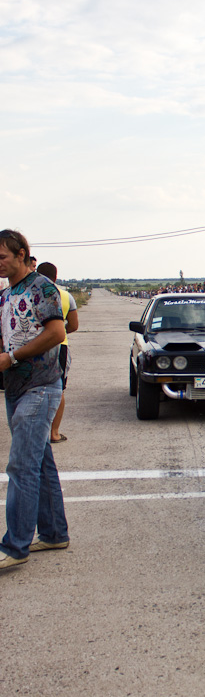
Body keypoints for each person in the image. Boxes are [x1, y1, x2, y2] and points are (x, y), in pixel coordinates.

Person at [0, 229, 69, 570]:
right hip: (15, 387)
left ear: (21, 253)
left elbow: (57, 332)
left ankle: (15, 546)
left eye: (2, 256)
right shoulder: (6, 294)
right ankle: (54, 533)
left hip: (40, 386)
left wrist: (11, 358)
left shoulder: (41, 286)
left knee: (21, 466)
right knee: (40, 463)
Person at [36, 262, 78, 443]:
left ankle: (36, 431)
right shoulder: (66, 296)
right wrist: (57, 333)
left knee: (33, 388)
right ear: (55, 276)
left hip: (34, 346)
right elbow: (74, 325)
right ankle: (54, 432)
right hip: (60, 346)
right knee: (58, 389)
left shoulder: (31, 294)